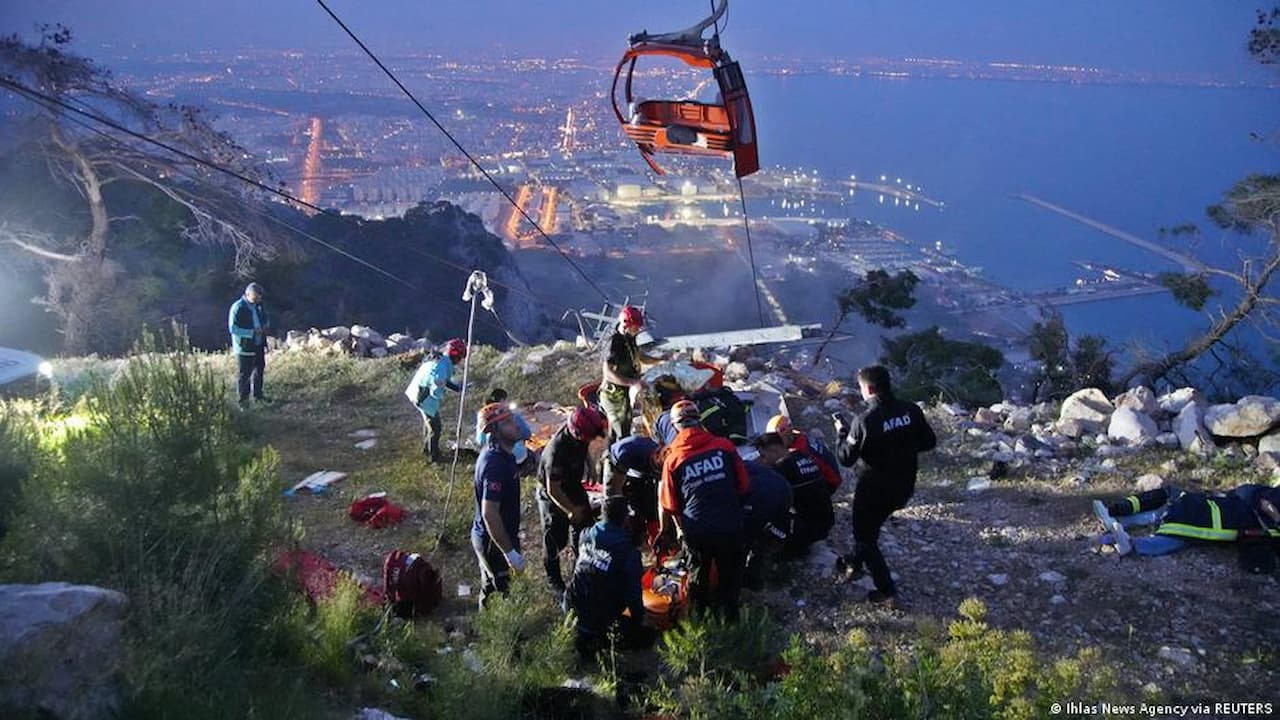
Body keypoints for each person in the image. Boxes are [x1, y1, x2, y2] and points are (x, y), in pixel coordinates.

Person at [834, 364, 937, 606]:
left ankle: (886, 591)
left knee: (865, 537)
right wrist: (903, 450)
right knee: (870, 531)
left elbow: (845, 459)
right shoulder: (911, 410)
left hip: (873, 489)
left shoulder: (864, 421)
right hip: (904, 486)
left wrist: (841, 433)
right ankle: (854, 563)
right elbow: (929, 441)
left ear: (868, 389)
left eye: (861, 388)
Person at [659, 399, 750, 620]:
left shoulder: (672, 460)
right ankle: (731, 621)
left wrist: (681, 530)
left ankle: (699, 622)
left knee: (698, 577)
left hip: (697, 530)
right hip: (730, 525)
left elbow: (670, 504)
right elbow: (744, 485)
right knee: (731, 578)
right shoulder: (724, 446)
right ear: (699, 420)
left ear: (675, 426)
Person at [1092, 484, 1280, 570]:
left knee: (1162, 518)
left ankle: (1116, 530)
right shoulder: (1263, 499)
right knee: (1173, 537)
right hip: (1205, 518)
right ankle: (1129, 541)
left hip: (1197, 508)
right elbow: (1250, 493)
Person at [563, 495, 653, 659]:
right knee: (648, 636)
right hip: (600, 621)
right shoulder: (628, 553)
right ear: (625, 519)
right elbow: (634, 597)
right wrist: (640, 621)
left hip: (572, 610)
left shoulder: (585, 535)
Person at [538, 406, 609, 594]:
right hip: (554, 494)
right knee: (555, 538)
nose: (591, 441)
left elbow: (584, 446)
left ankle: (583, 567)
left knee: (584, 526)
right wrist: (570, 510)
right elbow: (553, 488)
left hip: (573, 484)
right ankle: (555, 581)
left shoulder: (582, 431)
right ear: (576, 433)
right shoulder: (557, 451)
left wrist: (590, 465)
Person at [471, 402, 526, 608]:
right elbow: (490, 513)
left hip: (498, 536)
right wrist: (509, 552)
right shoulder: (494, 464)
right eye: (508, 423)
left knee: (490, 585)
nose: (516, 426)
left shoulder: (504, 455)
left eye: (512, 420)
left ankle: (485, 621)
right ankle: (507, 636)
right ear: (494, 430)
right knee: (504, 592)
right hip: (492, 541)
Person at [753, 431, 834, 558]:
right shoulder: (801, 455)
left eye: (763, 456)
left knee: (762, 514)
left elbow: (764, 496)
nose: (762, 460)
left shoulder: (782, 468)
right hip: (826, 520)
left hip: (810, 528)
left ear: (774, 450)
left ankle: (792, 550)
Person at [599, 305, 662, 450]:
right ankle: (616, 462)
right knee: (621, 432)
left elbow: (638, 356)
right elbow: (607, 373)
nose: (638, 330)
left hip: (627, 392)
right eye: (636, 327)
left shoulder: (630, 338)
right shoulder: (614, 342)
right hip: (613, 396)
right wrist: (633, 382)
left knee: (632, 425)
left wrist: (659, 360)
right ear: (626, 324)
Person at [405, 338, 466, 463]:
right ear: (456, 356)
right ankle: (434, 457)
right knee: (435, 427)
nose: (460, 361)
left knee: (428, 423)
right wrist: (438, 395)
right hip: (424, 398)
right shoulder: (442, 367)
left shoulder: (440, 359)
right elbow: (437, 384)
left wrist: (457, 388)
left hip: (416, 392)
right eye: (460, 358)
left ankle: (427, 449)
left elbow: (444, 380)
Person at [740, 459, 793, 590]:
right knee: (766, 537)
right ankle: (756, 574)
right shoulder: (741, 462)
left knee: (745, 538)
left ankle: (751, 579)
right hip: (784, 489)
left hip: (762, 498)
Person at [767, 414, 841, 490]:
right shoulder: (798, 440)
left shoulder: (805, 448)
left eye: (779, 439)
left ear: (789, 433)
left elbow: (832, 475)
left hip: (824, 485)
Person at [608, 434, 662, 536]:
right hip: (616, 460)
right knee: (613, 503)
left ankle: (652, 531)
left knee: (650, 498)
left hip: (639, 466)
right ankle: (618, 536)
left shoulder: (661, 454)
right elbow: (616, 490)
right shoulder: (625, 455)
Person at [228, 282, 271, 405]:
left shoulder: (258, 306)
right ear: (248, 294)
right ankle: (243, 401)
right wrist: (251, 332)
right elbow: (233, 329)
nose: (259, 299)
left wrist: (265, 327)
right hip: (245, 346)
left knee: (259, 369)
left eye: (260, 296)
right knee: (245, 374)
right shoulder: (238, 307)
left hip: (258, 344)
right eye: (256, 296)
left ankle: (258, 395)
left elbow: (265, 318)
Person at [475, 388, 534, 475]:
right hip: (518, 460)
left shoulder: (483, 418)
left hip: (494, 456)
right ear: (502, 400)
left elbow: (480, 441)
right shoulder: (510, 415)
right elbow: (527, 434)